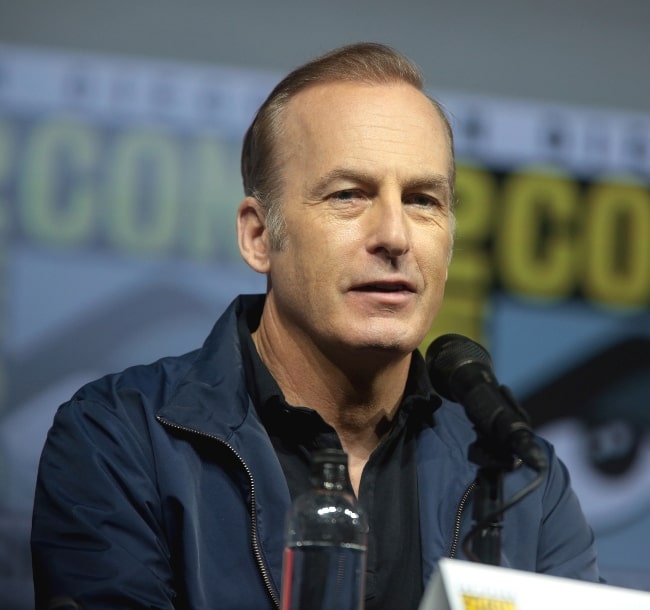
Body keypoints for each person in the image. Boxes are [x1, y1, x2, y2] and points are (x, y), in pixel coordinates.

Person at [31, 42, 601, 610]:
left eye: (423, 200)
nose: (396, 236)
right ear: (259, 236)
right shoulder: (122, 439)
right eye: (349, 195)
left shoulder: (526, 480)